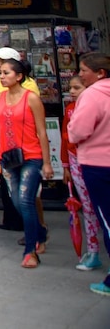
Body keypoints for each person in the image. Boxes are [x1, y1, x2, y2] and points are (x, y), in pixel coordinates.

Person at [0, 54, 53, 268]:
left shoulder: (31, 97)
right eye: (0, 73)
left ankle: (30, 251)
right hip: (9, 156)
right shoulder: (2, 98)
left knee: (25, 200)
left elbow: (42, 131)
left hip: (31, 155)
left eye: (6, 73)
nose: (1, 76)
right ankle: (40, 234)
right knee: (17, 202)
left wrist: (47, 162)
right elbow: (3, 119)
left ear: (19, 76)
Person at [0, 47, 44, 233]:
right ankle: (26, 227)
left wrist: (46, 161)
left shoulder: (29, 88)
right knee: (13, 192)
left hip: (27, 143)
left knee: (31, 194)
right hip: (7, 142)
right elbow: (0, 114)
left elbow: (26, 113)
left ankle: (37, 229)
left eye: (3, 63)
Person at [69, 52, 110, 296]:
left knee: (106, 218)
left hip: (98, 165)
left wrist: (73, 131)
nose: (81, 74)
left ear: (100, 73)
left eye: (84, 70)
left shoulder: (92, 95)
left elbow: (78, 131)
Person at [62, 74, 103, 271]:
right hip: (76, 161)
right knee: (87, 207)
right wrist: (65, 166)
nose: (72, 91)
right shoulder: (69, 110)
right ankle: (93, 250)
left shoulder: (97, 104)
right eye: (70, 87)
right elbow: (65, 139)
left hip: (97, 161)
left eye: (77, 88)